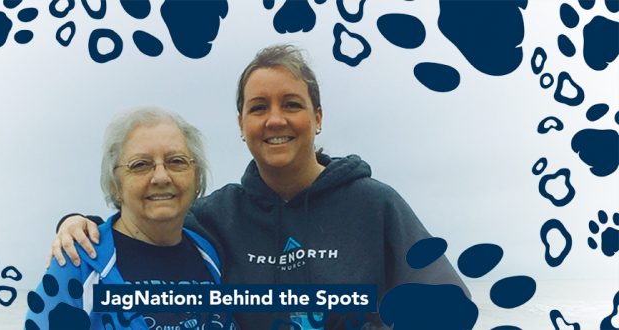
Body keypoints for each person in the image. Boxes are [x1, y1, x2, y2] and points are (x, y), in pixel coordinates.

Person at [51, 45, 467, 329]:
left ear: (318, 117)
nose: (275, 120)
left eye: (292, 104)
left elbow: (448, 306)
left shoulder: (374, 204)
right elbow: (147, 221)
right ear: (241, 124)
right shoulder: (216, 217)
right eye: (258, 107)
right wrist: (77, 223)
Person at [26, 107, 235, 330]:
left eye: (176, 161)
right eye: (140, 165)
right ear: (114, 184)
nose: (161, 177)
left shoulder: (209, 254)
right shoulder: (79, 264)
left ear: (197, 177)